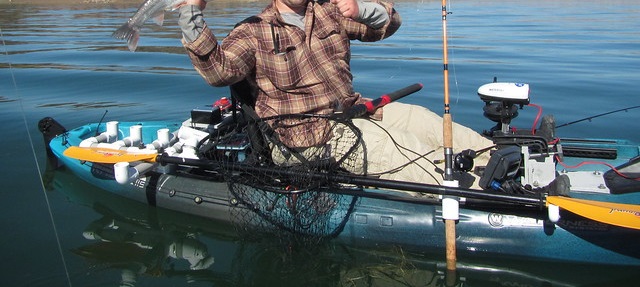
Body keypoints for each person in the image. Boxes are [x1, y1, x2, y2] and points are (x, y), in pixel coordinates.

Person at [176, 0, 493, 189]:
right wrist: (191, 12)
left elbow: (389, 24)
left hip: (353, 112)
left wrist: (363, 8)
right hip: (300, 136)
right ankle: (477, 188)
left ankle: (496, 158)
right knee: (393, 147)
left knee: (422, 120)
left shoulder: (329, 11)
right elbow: (218, 72)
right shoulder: (252, 30)